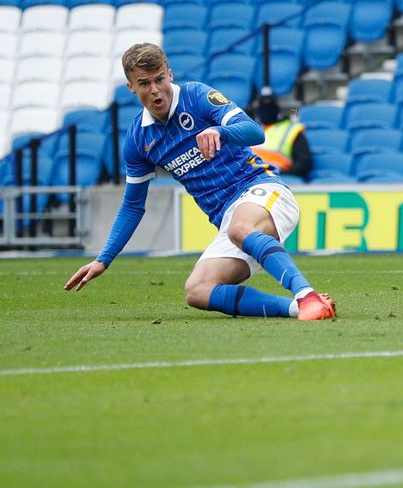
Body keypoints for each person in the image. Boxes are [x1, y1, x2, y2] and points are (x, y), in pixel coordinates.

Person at [64, 44, 336, 320]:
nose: (155, 89)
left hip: (262, 189)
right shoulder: (138, 139)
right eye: (144, 83)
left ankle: (307, 296)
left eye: (159, 79)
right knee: (198, 291)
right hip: (229, 221)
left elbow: (255, 132)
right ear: (131, 87)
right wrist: (103, 259)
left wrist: (220, 131)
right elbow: (133, 206)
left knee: (240, 228)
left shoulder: (196, 95)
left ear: (169, 74)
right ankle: (298, 308)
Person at [250, 86, 313, 182]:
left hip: (279, 179)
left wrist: (283, 173)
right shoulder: (250, 129)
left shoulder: (292, 129)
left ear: (277, 106)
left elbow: (304, 162)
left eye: (270, 104)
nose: (266, 108)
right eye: (262, 104)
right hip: (250, 178)